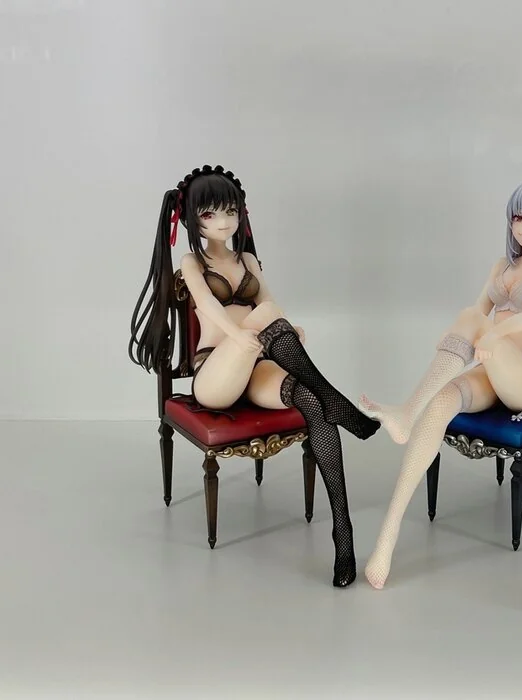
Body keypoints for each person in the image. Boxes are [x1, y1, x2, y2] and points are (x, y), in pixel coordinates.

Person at [129, 164, 380, 587]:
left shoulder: (246, 259)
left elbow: (269, 300)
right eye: (210, 214)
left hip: (255, 364)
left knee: (310, 402)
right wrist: (241, 337)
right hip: (216, 373)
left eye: (230, 211)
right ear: (191, 218)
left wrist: (283, 329)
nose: (223, 222)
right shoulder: (192, 262)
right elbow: (209, 307)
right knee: (269, 318)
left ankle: (344, 532)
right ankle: (342, 405)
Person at [358, 177, 522, 589]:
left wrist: (492, 335)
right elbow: (477, 310)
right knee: (443, 397)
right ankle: (388, 535)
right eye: (518, 217)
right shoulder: (501, 266)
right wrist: (466, 332)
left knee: (477, 323)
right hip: (491, 370)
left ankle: (406, 411)